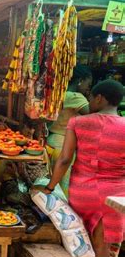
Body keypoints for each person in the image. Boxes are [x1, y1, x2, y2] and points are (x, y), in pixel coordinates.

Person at [34, 80, 125, 257]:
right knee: (101, 244)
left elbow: (64, 160)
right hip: (113, 195)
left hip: (81, 189)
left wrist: (50, 187)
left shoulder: (78, 122)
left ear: (100, 98)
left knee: (81, 234)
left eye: (92, 97)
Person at [47, 64, 92, 196]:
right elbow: (93, 115)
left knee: (52, 179)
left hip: (52, 141)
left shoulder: (60, 93)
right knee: (62, 186)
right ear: (80, 80)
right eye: (88, 84)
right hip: (64, 144)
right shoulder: (76, 97)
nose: (88, 88)